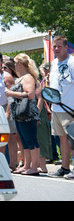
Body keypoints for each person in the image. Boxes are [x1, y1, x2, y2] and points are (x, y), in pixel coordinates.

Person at [5, 53, 41, 176]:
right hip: (20, 114)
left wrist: (11, 93)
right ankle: (26, 165)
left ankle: (34, 167)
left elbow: (30, 94)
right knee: (25, 141)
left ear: (19, 64)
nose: (15, 66)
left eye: (15, 63)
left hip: (27, 114)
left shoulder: (28, 78)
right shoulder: (22, 78)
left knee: (31, 141)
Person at [47, 36, 74, 179]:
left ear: (65, 47)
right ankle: (64, 168)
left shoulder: (72, 62)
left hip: (70, 109)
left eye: (59, 46)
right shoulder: (54, 63)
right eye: (54, 46)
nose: (56, 49)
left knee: (72, 139)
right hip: (56, 109)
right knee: (62, 139)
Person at [2, 60, 22, 170]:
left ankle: (13, 163)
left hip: (9, 108)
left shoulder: (9, 78)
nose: (3, 70)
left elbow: (11, 96)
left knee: (12, 137)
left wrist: (8, 112)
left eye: (5, 67)